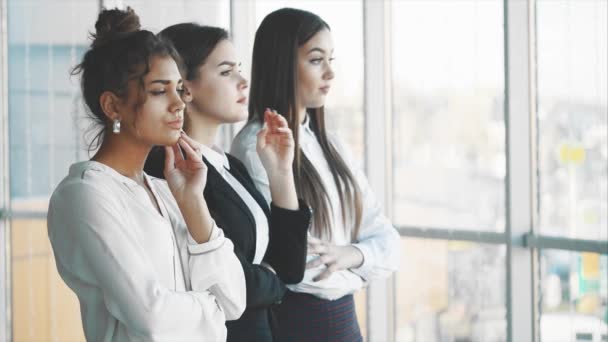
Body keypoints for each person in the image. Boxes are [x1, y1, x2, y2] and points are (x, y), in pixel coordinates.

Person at [47, 8, 245, 341]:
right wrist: (213, 310)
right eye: (158, 91)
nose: (178, 104)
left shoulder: (166, 190)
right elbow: (152, 317)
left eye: (179, 88)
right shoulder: (84, 195)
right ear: (113, 107)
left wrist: (193, 202)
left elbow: (234, 301)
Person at [231, 7, 400, 342]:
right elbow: (299, 269)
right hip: (298, 322)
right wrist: (363, 273)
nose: (330, 74)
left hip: (344, 323)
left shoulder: (332, 145)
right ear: (283, 63)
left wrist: (351, 255)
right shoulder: (256, 146)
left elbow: (389, 241)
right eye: (316, 59)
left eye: (331, 60)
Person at [144, 23, 311, 342]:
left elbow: (290, 268)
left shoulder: (228, 164)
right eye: (226, 72)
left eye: (239, 69)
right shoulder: (172, 167)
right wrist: (270, 280)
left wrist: (280, 173)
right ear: (185, 88)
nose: (243, 81)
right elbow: (224, 281)